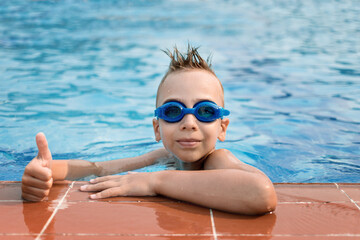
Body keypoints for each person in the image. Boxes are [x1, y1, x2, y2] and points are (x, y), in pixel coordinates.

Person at [21, 46, 277, 215]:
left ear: (222, 128)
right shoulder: (163, 158)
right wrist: (45, 171)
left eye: (205, 111)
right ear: (157, 128)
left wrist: (153, 181)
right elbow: (98, 169)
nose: (189, 122)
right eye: (173, 111)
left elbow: (262, 193)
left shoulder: (218, 159)